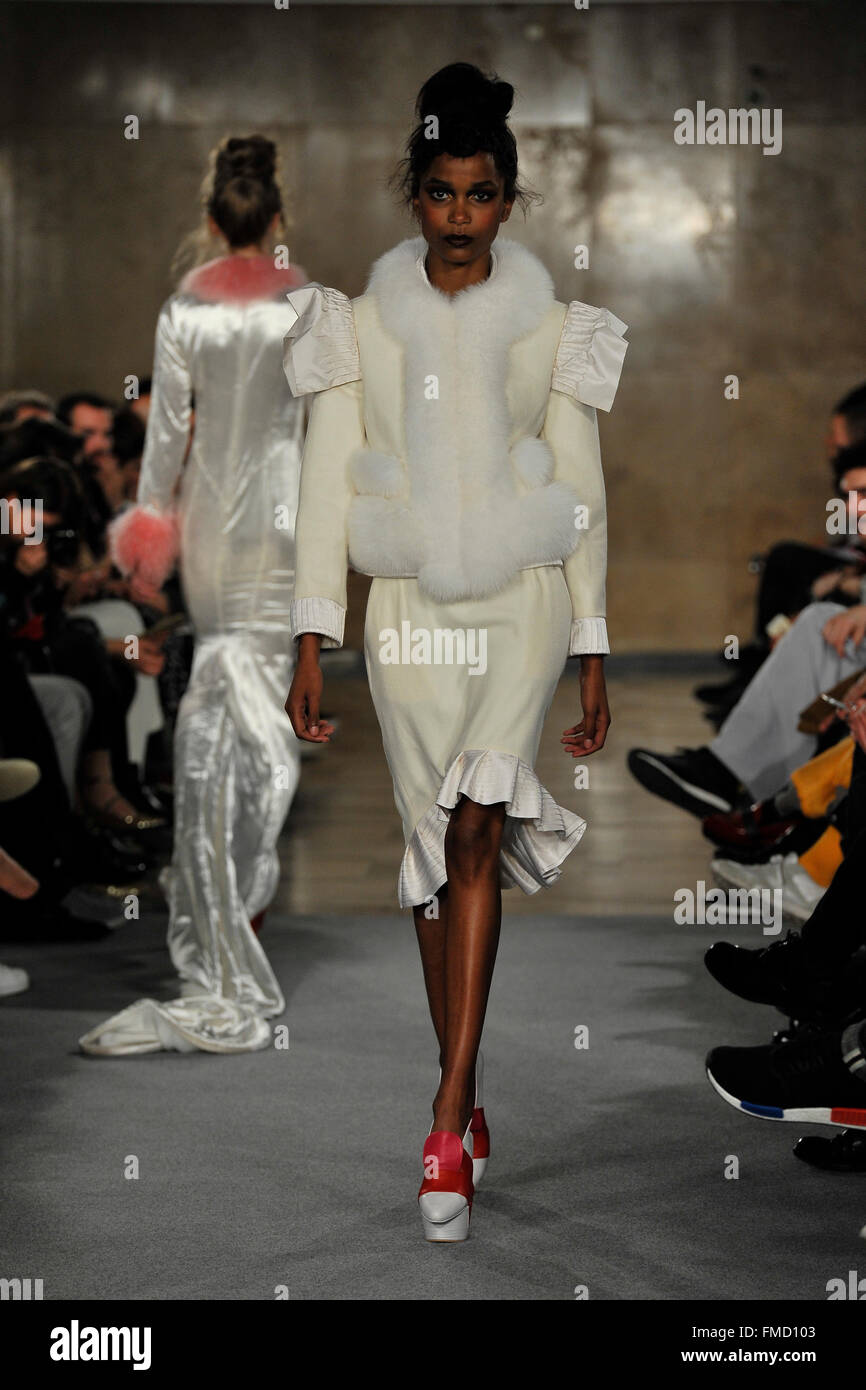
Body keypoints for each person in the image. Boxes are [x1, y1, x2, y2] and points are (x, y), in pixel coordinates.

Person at [283, 63, 627, 1240]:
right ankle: (466, 1082)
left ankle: (442, 1109)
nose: (461, 215)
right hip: (408, 619)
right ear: (414, 197)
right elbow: (326, 486)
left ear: (509, 200)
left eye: (482, 194)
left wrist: (589, 638)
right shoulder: (357, 324)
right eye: (441, 193)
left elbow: (578, 490)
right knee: (433, 848)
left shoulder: (551, 330)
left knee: (478, 822)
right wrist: (308, 632)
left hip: (519, 605)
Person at [79, 134, 308, 1055]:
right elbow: (335, 426)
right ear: (278, 218)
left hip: (214, 515)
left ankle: (222, 904)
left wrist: (149, 537)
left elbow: (167, 439)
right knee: (263, 706)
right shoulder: (313, 306)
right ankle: (240, 893)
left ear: (212, 220)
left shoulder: (187, 309)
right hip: (289, 512)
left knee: (219, 697)